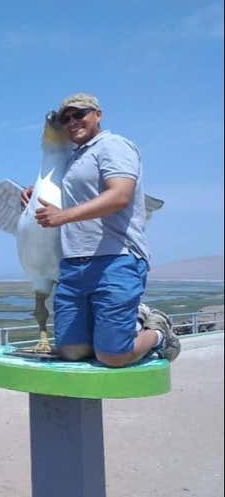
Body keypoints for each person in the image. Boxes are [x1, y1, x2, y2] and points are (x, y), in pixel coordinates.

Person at [21, 93, 179, 367]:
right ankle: (122, 325)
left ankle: (158, 332)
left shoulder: (113, 146)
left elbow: (120, 195)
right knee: (72, 351)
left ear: (98, 114)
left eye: (79, 114)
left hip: (116, 259)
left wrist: (63, 216)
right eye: (65, 118)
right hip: (74, 263)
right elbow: (78, 189)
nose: (72, 121)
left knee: (112, 356)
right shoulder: (74, 157)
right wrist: (35, 192)